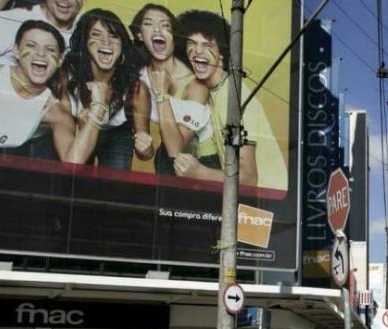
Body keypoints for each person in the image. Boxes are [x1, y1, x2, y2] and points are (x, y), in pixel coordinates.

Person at [0, 19, 106, 162]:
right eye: (31, 46)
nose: (40, 53)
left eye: (50, 49)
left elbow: (73, 163)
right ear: (16, 51)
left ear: (59, 60)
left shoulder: (53, 110)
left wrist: (97, 110)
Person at [173, 10, 287, 191]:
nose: (197, 51)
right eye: (192, 44)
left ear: (222, 52)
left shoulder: (235, 95)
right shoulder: (206, 92)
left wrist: (199, 173)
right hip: (237, 200)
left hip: (267, 203)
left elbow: (248, 178)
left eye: (207, 44)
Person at [63, 8, 153, 169]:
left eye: (113, 35)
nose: (106, 42)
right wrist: (83, 124)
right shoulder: (68, 76)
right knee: (73, 183)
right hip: (78, 133)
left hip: (117, 135)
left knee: (114, 189)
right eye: (96, 34)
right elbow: (70, 159)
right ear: (84, 42)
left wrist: (145, 147)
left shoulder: (136, 88)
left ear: (122, 46)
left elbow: (146, 154)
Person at [129, 3, 212, 174]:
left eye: (165, 25)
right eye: (149, 24)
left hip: (200, 161)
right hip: (165, 161)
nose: (158, 30)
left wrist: (161, 94)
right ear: (139, 34)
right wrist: (144, 148)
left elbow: (177, 150)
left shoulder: (195, 83)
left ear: (174, 36)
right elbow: (145, 150)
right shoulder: (139, 81)